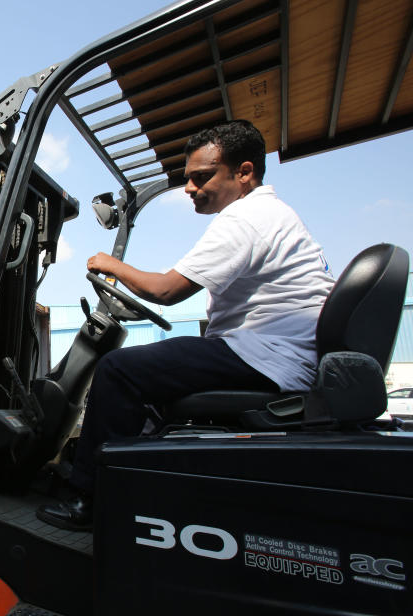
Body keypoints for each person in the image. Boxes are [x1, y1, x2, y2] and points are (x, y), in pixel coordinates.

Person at [36, 120, 335, 531]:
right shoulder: (269, 214)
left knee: (118, 371)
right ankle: (135, 480)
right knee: (156, 381)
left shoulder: (246, 219)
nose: (190, 189)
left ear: (244, 173)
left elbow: (166, 291)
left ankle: (89, 498)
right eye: (188, 179)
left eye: (201, 177)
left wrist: (110, 264)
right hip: (274, 353)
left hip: (268, 356)